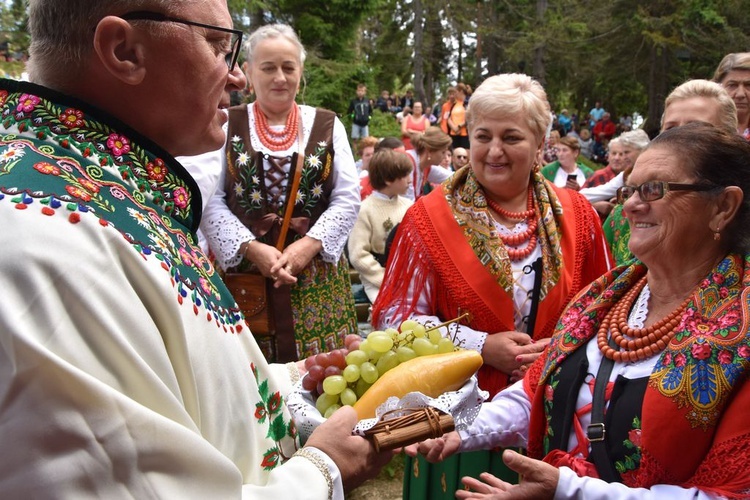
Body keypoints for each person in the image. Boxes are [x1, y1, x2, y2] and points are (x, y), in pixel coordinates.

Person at [0, 1, 392, 498]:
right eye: (216, 46)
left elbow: (163, 381)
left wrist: (293, 379)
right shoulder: (53, 246)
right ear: (125, 52)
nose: (235, 79)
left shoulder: (103, 195)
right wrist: (323, 470)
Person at [408, 122, 750, 498]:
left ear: (723, 207)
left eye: (655, 189)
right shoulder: (605, 297)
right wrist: (458, 426)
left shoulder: (741, 328)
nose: (632, 205)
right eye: (630, 189)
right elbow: (536, 390)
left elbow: (730, 494)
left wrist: (568, 490)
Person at [372, 73, 612, 500]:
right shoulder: (427, 219)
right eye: (483, 136)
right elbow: (395, 320)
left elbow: (606, 310)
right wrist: (482, 346)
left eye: (512, 137)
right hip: (454, 414)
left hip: (554, 410)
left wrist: (554, 352)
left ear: (541, 145)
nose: (494, 150)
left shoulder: (578, 216)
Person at [194, 24, 360, 362]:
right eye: (268, 68)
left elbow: (347, 196)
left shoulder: (328, 124)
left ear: (301, 73)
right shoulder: (226, 123)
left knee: (327, 376)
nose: (280, 77)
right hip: (247, 278)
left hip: (316, 281)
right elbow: (211, 199)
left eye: (289, 67)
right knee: (252, 378)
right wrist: (253, 249)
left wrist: (307, 246)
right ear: (250, 73)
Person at [604, 79, 737, 267]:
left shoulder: (740, 221)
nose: (679, 139)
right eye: (670, 130)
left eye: (696, 130)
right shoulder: (623, 216)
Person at [348, 149, 413, 303]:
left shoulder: (409, 206)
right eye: (404, 176)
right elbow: (358, 255)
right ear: (388, 180)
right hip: (378, 281)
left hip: (409, 278)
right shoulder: (364, 210)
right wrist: (385, 279)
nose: (410, 180)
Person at [583, 129, 651, 221]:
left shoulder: (656, 172)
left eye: (626, 152)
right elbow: (596, 192)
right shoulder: (626, 174)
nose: (623, 157)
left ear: (642, 150)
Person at [404, 126, 453, 201]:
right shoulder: (408, 163)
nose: (444, 157)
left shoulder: (426, 165)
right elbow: (407, 201)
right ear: (429, 151)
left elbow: (452, 177)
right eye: (443, 152)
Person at [713, 52, 750, 140]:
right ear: (718, 87)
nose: (740, 94)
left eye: (748, 85)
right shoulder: (707, 129)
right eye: (732, 85)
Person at [447, 83, 471, 150]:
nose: (454, 95)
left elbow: (470, 117)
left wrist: (459, 126)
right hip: (453, 134)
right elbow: (449, 117)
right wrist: (454, 128)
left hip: (464, 134)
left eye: (455, 92)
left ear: (460, 91)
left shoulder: (468, 103)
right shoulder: (454, 104)